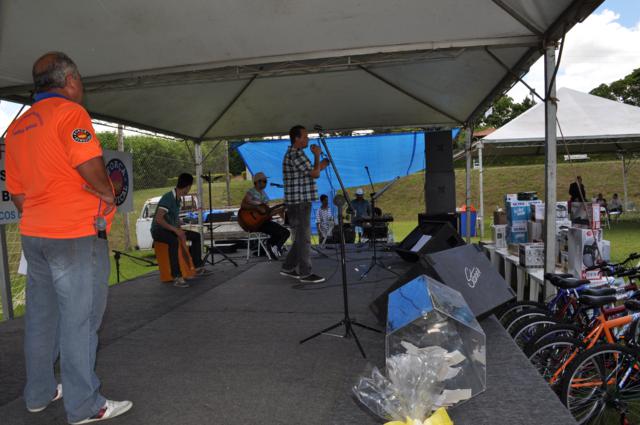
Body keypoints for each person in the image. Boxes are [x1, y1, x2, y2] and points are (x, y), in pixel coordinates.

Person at [5, 52, 132, 424]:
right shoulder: (70, 113)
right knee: (80, 322)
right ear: (71, 79)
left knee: (41, 320)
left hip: (35, 235)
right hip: (75, 235)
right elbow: (88, 163)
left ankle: (39, 394)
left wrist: (42, 214)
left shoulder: (18, 127)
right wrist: (107, 192)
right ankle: (84, 406)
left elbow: (17, 192)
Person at [280, 125, 329, 283]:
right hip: (299, 203)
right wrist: (317, 155)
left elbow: (311, 172)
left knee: (300, 238)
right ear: (297, 138)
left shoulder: (298, 154)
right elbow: (315, 173)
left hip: (299, 202)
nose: (308, 139)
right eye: (305, 136)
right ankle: (305, 273)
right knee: (305, 238)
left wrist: (322, 163)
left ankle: (288, 267)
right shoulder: (295, 154)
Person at [151, 173, 206, 287]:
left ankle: (197, 266)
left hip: (169, 229)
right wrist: (176, 231)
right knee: (174, 241)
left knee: (196, 236)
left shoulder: (178, 199)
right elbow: (159, 219)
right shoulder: (168, 198)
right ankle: (177, 276)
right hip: (158, 230)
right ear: (187, 186)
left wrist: (181, 227)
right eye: (190, 186)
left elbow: (173, 219)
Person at [241, 172, 290, 259]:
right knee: (285, 233)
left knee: (282, 232)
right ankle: (275, 248)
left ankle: (271, 246)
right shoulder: (251, 192)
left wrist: (281, 210)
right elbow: (243, 205)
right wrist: (257, 207)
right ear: (257, 182)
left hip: (262, 222)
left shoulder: (264, 195)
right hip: (256, 223)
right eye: (264, 181)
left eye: (266, 181)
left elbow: (267, 213)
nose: (266, 183)